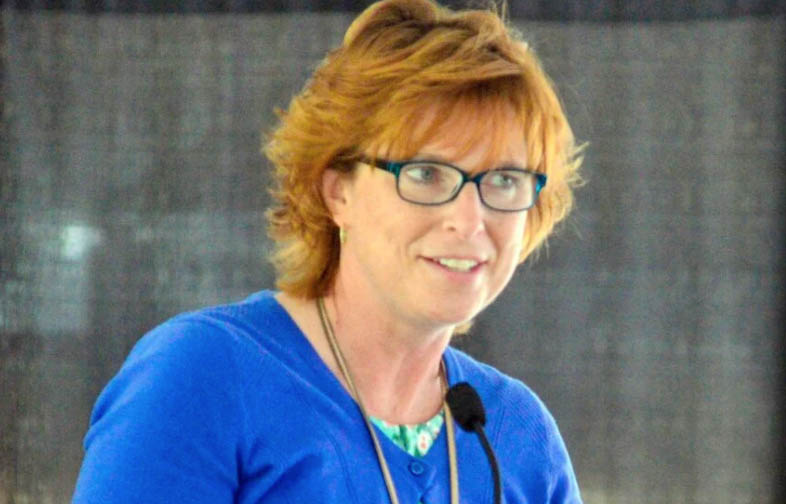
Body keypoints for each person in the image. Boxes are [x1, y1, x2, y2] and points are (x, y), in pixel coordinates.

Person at [72, 0, 584, 502]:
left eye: (504, 180)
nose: (470, 220)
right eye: (426, 174)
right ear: (337, 192)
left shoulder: (521, 436)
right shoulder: (202, 376)